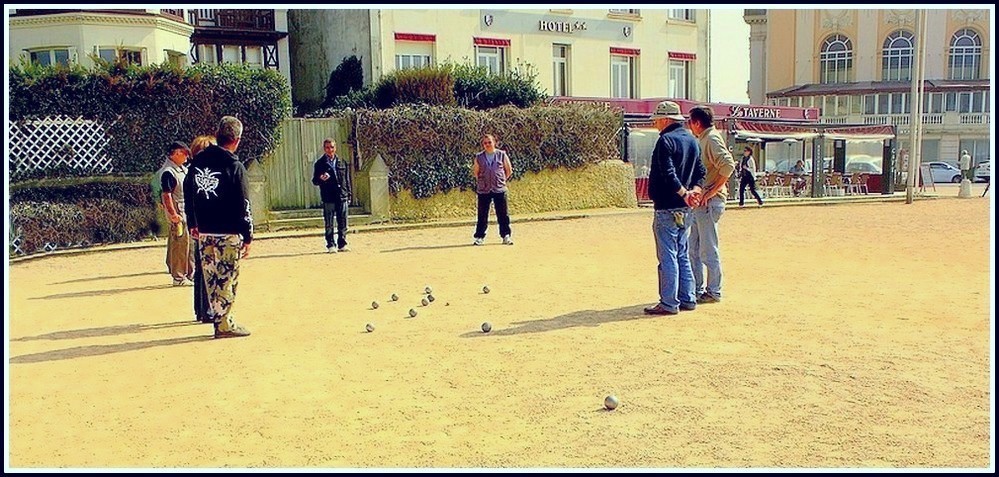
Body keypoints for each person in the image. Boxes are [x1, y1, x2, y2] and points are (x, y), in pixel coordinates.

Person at [183, 116, 253, 339]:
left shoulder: (197, 163)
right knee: (227, 277)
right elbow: (243, 205)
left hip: (204, 231)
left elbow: (188, 193)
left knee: (212, 278)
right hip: (227, 232)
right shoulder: (235, 166)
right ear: (237, 139)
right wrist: (248, 235)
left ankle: (219, 319)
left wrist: (193, 222)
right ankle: (224, 322)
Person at [643, 101, 706, 316]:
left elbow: (668, 173)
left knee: (668, 255)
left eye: (657, 119)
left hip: (667, 206)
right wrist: (694, 191)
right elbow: (700, 171)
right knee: (682, 253)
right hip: (685, 207)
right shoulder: (692, 140)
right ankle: (687, 297)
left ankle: (669, 302)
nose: (655, 123)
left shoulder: (665, 141)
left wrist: (683, 192)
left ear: (666, 119)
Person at [686, 105, 736, 305]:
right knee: (694, 247)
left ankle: (713, 290)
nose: (689, 126)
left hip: (709, 202)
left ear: (697, 123)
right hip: (702, 202)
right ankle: (697, 289)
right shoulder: (705, 138)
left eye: (690, 122)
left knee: (707, 248)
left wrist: (711, 191)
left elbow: (728, 164)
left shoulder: (712, 138)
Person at [154, 141, 193, 286]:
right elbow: (166, 195)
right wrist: (173, 214)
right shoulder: (169, 172)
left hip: (186, 211)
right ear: (176, 153)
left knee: (188, 244)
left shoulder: (180, 169)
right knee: (179, 246)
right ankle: (178, 277)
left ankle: (189, 273)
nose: (186, 158)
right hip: (179, 213)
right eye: (184, 154)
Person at [188, 135, 216, 324]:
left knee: (200, 268)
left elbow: (189, 204)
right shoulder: (203, 173)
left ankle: (200, 309)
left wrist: (192, 224)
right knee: (208, 268)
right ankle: (207, 308)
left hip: (197, 225)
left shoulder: (191, 172)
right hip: (207, 225)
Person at [471, 134, 514, 246]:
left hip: (499, 189)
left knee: (503, 214)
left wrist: (500, 181)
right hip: (484, 190)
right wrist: (483, 182)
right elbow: (476, 172)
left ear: (494, 142)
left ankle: (506, 236)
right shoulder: (479, 157)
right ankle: (479, 237)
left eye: (489, 142)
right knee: (482, 215)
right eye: (485, 143)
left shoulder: (501, 155)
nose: (487, 145)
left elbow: (508, 170)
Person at [311, 138, 352, 253]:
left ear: (335, 148)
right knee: (329, 222)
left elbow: (346, 180)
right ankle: (330, 244)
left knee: (343, 221)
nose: (330, 150)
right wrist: (321, 178)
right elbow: (314, 181)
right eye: (328, 148)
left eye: (332, 147)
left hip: (341, 195)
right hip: (328, 197)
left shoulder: (342, 162)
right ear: (324, 149)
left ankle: (342, 243)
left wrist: (349, 194)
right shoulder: (319, 164)